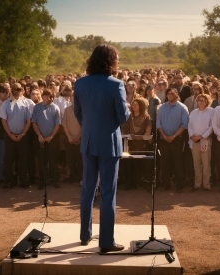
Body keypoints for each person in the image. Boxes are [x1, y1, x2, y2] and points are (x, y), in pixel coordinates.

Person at [74, 44, 129, 253]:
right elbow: (123, 116)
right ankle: (106, 242)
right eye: (117, 58)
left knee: (87, 189)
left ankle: (84, 235)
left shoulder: (80, 83)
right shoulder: (116, 85)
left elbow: (78, 113)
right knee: (108, 192)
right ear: (111, 61)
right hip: (109, 143)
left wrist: (88, 126)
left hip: (88, 141)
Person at [157, 88, 190, 192]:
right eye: (168, 94)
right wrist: (164, 135)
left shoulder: (182, 108)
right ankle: (166, 184)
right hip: (164, 139)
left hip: (177, 140)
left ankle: (180, 185)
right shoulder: (162, 107)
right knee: (165, 162)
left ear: (177, 94)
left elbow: (184, 124)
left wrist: (174, 136)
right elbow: (158, 123)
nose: (170, 95)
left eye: (172, 93)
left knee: (178, 162)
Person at [0, 83, 32, 188]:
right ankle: (9, 181)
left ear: (22, 90)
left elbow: (28, 121)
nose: (16, 91)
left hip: (23, 137)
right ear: (11, 90)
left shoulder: (26, 103)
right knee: (9, 160)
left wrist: (23, 134)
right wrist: (10, 134)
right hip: (10, 136)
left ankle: (23, 180)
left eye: (18, 89)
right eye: (14, 89)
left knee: (23, 159)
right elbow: (3, 121)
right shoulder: (5, 104)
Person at [31, 89, 61, 189]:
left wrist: (51, 136)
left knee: (53, 161)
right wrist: (39, 136)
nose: (49, 98)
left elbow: (57, 124)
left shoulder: (55, 108)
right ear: (43, 96)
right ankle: (42, 181)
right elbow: (34, 123)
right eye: (47, 96)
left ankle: (55, 180)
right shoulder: (37, 108)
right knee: (41, 162)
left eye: (51, 96)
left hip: (52, 139)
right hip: (40, 139)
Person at [121, 97, 152, 190]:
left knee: (141, 165)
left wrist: (138, 138)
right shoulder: (128, 117)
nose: (134, 106)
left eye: (136, 104)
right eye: (133, 104)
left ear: (141, 106)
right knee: (129, 164)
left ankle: (142, 183)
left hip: (142, 145)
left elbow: (148, 132)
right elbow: (125, 131)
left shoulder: (146, 117)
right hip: (130, 144)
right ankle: (130, 183)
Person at [188, 94, 214, 191]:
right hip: (194, 140)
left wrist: (202, 136)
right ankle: (197, 184)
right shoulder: (193, 113)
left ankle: (206, 184)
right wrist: (192, 136)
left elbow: (211, 126)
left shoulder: (211, 111)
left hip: (205, 140)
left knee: (206, 163)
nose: (201, 102)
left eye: (203, 100)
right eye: (199, 100)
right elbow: (189, 125)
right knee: (196, 163)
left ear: (207, 101)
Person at [61, 88, 83, 184]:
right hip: (69, 139)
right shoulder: (67, 110)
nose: (74, 98)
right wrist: (69, 136)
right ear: (70, 98)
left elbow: (85, 125)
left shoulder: (83, 110)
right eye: (72, 97)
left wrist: (79, 137)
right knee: (70, 159)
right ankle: (72, 176)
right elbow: (64, 124)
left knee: (80, 159)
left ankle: (81, 177)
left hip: (81, 139)